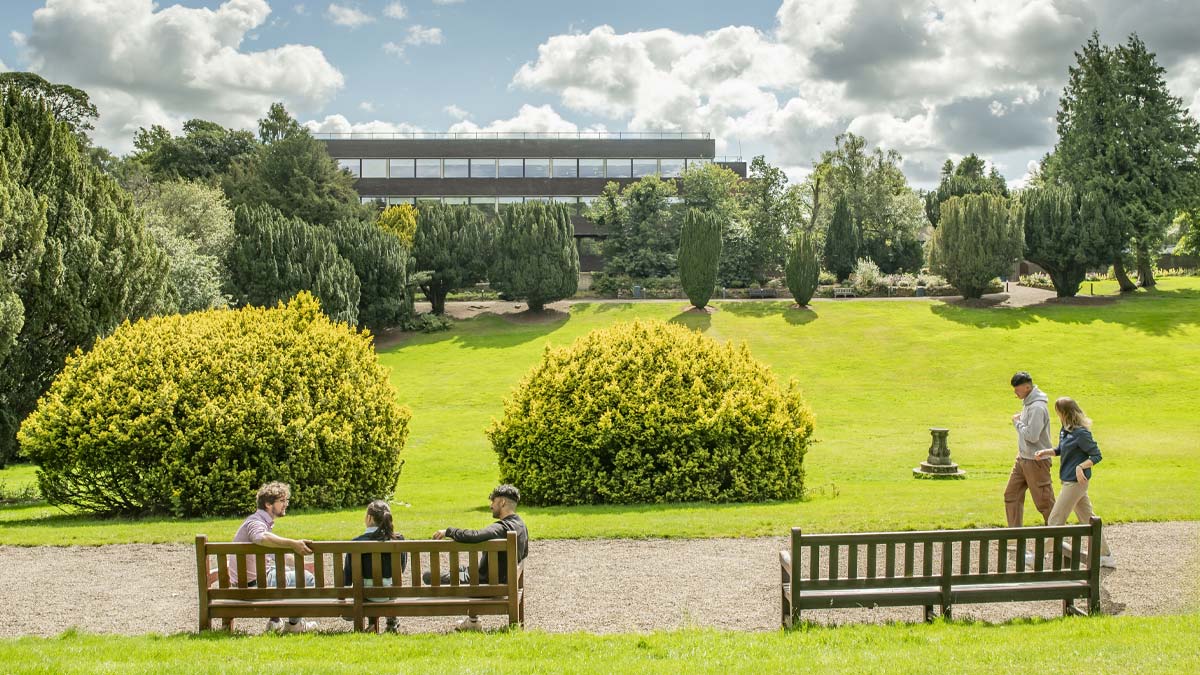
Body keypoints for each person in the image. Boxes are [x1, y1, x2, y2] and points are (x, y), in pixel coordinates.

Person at [427, 484, 529, 631]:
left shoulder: (502, 528)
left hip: (485, 582)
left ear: (502, 502)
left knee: (428, 576)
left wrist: (448, 531)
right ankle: (472, 621)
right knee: (459, 570)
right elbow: (524, 554)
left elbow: (475, 536)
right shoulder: (521, 526)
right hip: (505, 580)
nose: (490, 506)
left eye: (493, 502)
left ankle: (472, 621)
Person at [1035, 397, 1115, 568]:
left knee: (1056, 518)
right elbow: (1060, 450)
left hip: (1076, 483)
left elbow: (1096, 455)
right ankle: (1105, 555)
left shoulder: (1081, 434)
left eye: (1058, 413)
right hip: (1067, 480)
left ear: (1065, 413)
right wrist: (1046, 452)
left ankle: (1040, 556)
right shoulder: (1065, 430)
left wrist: (1081, 466)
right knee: (1088, 519)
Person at [231, 481, 317, 633]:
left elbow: (271, 554)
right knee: (307, 578)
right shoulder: (256, 523)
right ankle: (294, 625)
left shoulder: (257, 521)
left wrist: (299, 562)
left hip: (244, 584)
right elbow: (260, 537)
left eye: (286, 500)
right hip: (254, 586)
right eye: (282, 501)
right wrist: (292, 543)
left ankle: (275, 622)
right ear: (268, 504)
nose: (286, 504)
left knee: (283, 570)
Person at [343, 500, 407, 632]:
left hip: (365, 593)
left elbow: (348, 577)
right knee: (389, 581)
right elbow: (401, 568)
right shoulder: (398, 540)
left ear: (369, 518)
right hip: (391, 593)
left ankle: (372, 624)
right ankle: (392, 621)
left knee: (365, 583)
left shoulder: (356, 542)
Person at [1004, 371, 1056, 529]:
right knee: (1011, 495)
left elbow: (1032, 436)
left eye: (1017, 389)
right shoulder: (1028, 403)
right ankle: (1015, 537)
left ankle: (1056, 536)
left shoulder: (1037, 408)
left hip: (1036, 461)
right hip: (1022, 459)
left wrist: (1017, 422)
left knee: (1044, 503)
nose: (1015, 393)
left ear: (1027, 387)